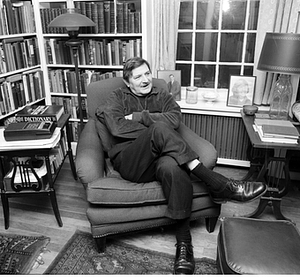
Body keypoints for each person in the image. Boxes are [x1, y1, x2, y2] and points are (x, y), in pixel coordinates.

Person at [96, 57, 267, 275]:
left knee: (172, 167)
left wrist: (140, 117)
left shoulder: (162, 94)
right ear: (128, 82)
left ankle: (184, 245)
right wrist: (155, 129)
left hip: (161, 159)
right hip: (131, 161)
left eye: (147, 73)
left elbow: (175, 120)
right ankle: (219, 183)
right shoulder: (117, 97)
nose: (145, 79)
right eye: (138, 76)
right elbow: (117, 128)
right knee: (159, 130)